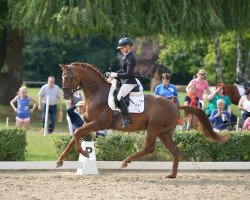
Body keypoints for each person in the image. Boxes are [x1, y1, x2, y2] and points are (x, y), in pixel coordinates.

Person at [108, 37, 137, 128]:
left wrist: (115, 75)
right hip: (124, 81)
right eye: (120, 48)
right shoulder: (126, 57)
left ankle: (127, 119)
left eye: (122, 47)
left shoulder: (131, 58)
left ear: (128, 47)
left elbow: (128, 74)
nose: (120, 49)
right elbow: (121, 70)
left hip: (129, 82)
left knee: (119, 97)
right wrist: (112, 75)